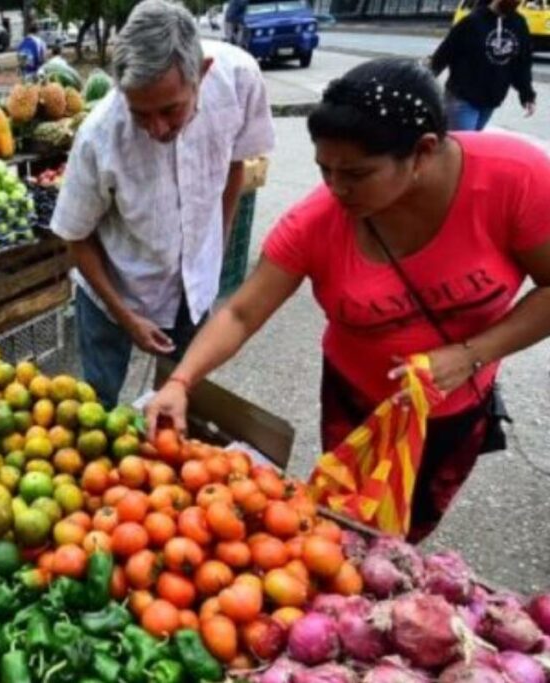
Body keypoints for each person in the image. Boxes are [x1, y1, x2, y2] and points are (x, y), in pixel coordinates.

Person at [145, 57, 550, 542]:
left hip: (455, 409)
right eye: (323, 169)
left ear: (421, 152)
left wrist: (469, 356)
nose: (336, 188)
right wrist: (183, 381)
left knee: (406, 536)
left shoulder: (515, 180)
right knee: (343, 524)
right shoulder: (317, 222)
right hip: (354, 403)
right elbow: (240, 311)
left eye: (356, 173)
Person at [50, 0, 275, 406]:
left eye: (171, 110)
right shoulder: (100, 134)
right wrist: (126, 317)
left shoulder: (239, 79)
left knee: (178, 398)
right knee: (97, 405)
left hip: (193, 290)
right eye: (141, 114)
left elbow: (234, 167)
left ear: (201, 75)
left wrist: (215, 254)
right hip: (112, 290)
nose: (157, 128)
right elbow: (75, 237)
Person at [430, 0, 536, 131]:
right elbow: (443, 55)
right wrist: (423, 85)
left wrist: (527, 95)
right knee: (464, 146)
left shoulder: (519, 24)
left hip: (491, 100)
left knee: (472, 143)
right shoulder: (471, 22)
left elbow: (522, 63)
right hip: (462, 98)